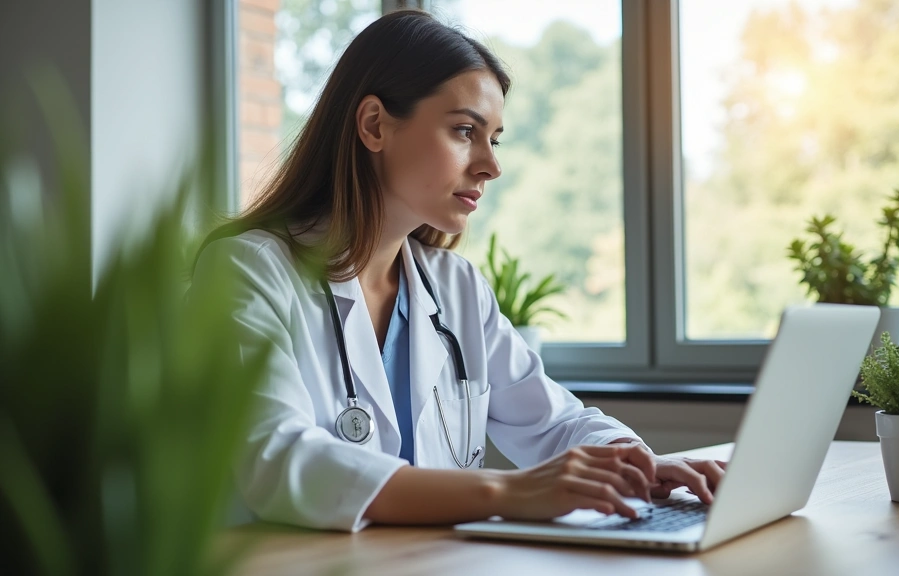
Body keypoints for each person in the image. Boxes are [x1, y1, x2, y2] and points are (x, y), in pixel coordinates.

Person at [191, 9, 726, 533]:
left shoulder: (455, 287)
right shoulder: (247, 272)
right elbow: (278, 460)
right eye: (465, 130)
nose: (491, 165)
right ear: (374, 124)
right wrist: (508, 492)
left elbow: (552, 420)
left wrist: (637, 463)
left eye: (494, 139)